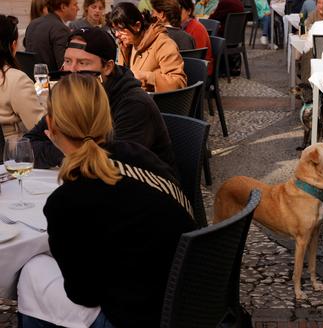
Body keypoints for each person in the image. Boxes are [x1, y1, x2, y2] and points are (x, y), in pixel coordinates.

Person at [17, 73, 195, 328]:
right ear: (106, 117)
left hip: (141, 316)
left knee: (32, 274)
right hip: (192, 296)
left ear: (50, 125)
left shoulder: (66, 201)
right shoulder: (141, 155)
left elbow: (83, 294)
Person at [24, 27, 176, 170]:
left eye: (83, 63)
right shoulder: (71, 95)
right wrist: (70, 150)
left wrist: (66, 146)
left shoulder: (133, 104)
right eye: (68, 61)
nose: (72, 70)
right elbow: (27, 148)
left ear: (108, 67)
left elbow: (112, 164)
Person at [111, 2, 186, 92]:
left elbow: (179, 83)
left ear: (137, 26)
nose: (117, 34)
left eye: (121, 29)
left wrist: (148, 77)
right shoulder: (126, 44)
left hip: (154, 102)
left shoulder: (163, 44)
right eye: (115, 30)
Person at [0, 15, 44, 139]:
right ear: (13, 45)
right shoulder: (16, 80)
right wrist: (44, 98)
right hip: (13, 154)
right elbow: (39, 127)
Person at [25, 0, 79, 72]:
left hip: (33, 80)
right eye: (75, 4)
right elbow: (64, 67)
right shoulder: (60, 29)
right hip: (51, 82)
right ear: (63, 7)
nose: (78, 8)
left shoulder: (33, 23)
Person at [173, 0, 213, 76]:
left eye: (179, 9)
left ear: (189, 11)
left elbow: (195, 60)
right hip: (183, 67)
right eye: (172, 9)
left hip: (199, 72)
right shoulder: (177, 27)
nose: (174, 13)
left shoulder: (196, 29)